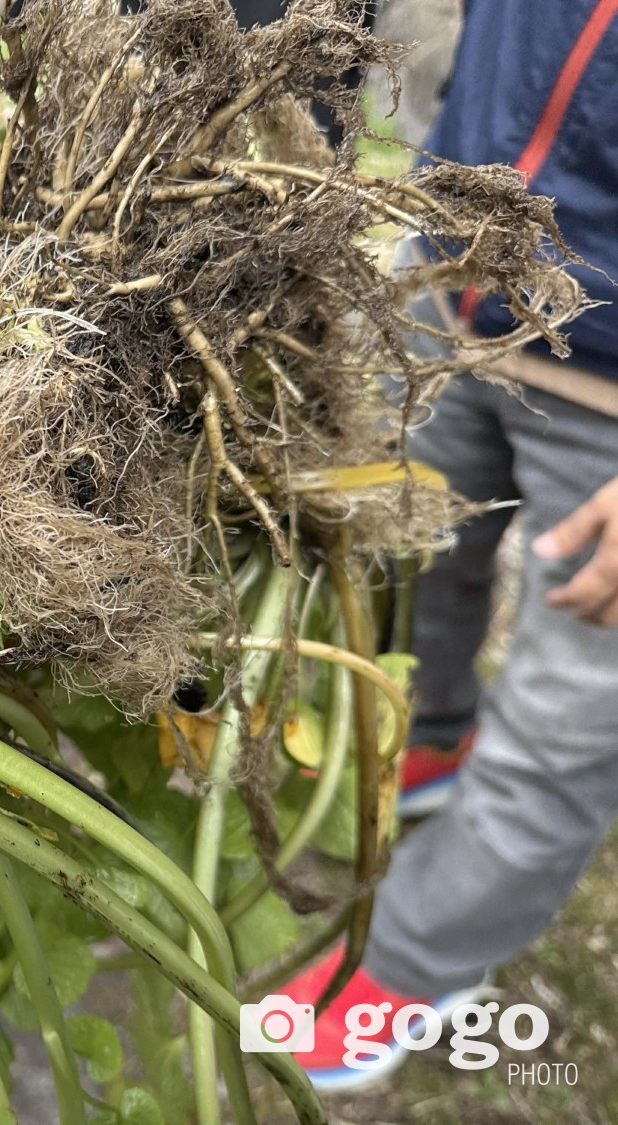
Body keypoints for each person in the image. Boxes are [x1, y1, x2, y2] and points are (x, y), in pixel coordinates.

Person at [274, 0, 618, 1091]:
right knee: (413, 551)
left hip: (607, 388)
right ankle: (430, 741)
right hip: (454, 283)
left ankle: (417, 965)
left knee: (568, 721)